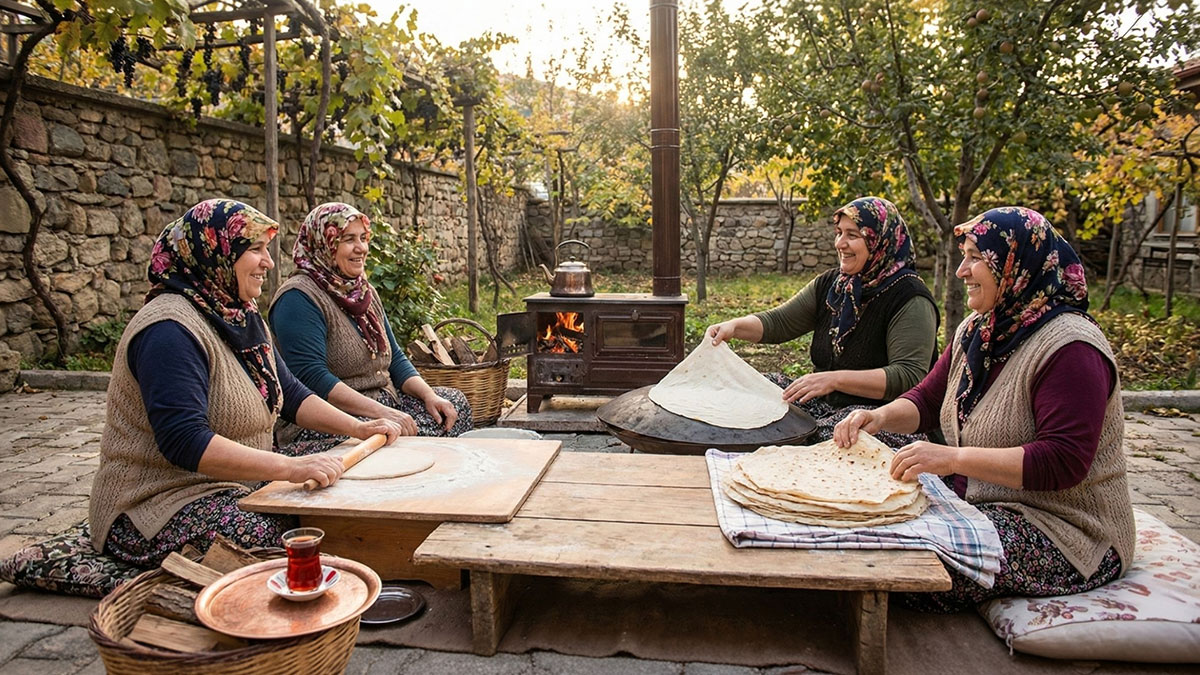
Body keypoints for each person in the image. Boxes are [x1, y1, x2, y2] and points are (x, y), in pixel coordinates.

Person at [833, 206, 1135, 612]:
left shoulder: (1071, 349)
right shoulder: (980, 330)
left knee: (902, 563)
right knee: (859, 467)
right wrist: (878, 417)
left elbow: (1063, 462)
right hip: (984, 502)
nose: (962, 271)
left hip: (1066, 530)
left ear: (1014, 265)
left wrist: (952, 458)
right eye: (964, 257)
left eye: (976, 258)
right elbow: (927, 400)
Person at [89, 199, 404, 567]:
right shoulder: (168, 331)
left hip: (234, 484)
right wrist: (289, 468)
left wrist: (359, 428)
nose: (268, 262)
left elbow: (290, 392)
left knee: (343, 487)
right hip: (157, 504)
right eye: (255, 249)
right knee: (283, 534)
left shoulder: (237, 313)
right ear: (216, 252)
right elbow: (184, 441)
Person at [707, 196, 939, 443]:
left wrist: (834, 380)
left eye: (852, 235)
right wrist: (733, 327)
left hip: (880, 417)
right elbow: (780, 322)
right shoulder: (834, 285)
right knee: (753, 391)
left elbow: (908, 376)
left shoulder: (909, 298)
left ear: (878, 241)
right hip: (827, 407)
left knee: (812, 438)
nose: (840, 243)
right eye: (839, 233)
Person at [269, 202, 471, 446]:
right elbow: (311, 377)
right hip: (333, 419)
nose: (361, 248)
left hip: (384, 402)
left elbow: (395, 357)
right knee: (389, 440)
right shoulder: (298, 298)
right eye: (348, 239)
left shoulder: (363, 291)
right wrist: (382, 413)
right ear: (324, 244)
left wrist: (429, 395)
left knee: (453, 404)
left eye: (363, 238)